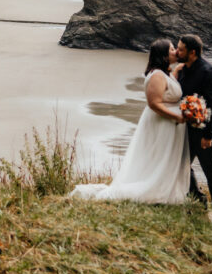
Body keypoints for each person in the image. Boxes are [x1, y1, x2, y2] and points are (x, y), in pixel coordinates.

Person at [68, 39, 190, 203]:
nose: (176, 51)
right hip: (163, 123)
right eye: (172, 49)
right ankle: (154, 191)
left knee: (161, 158)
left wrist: (178, 71)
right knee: (159, 158)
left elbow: (169, 90)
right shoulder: (158, 75)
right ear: (163, 54)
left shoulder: (165, 74)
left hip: (168, 124)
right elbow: (154, 103)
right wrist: (177, 117)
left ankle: (164, 190)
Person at [176, 34, 212, 226]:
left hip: (210, 130)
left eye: (180, 49)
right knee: (180, 164)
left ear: (193, 52)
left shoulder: (209, 71)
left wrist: (209, 135)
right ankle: (198, 198)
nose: (177, 51)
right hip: (188, 129)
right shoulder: (183, 71)